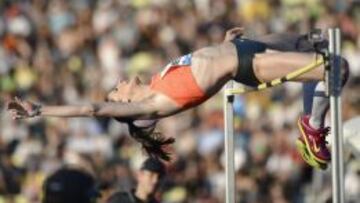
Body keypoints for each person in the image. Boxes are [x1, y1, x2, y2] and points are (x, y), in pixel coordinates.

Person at [7, 27, 349, 168]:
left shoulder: (159, 76)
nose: (119, 83)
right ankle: (313, 125)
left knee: (317, 45)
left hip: (242, 46)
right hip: (247, 63)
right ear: (125, 104)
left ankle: (312, 124)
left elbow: (201, 62)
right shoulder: (152, 102)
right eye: (116, 90)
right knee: (335, 67)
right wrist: (40, 110)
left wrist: (222, 40)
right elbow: (90, 107)